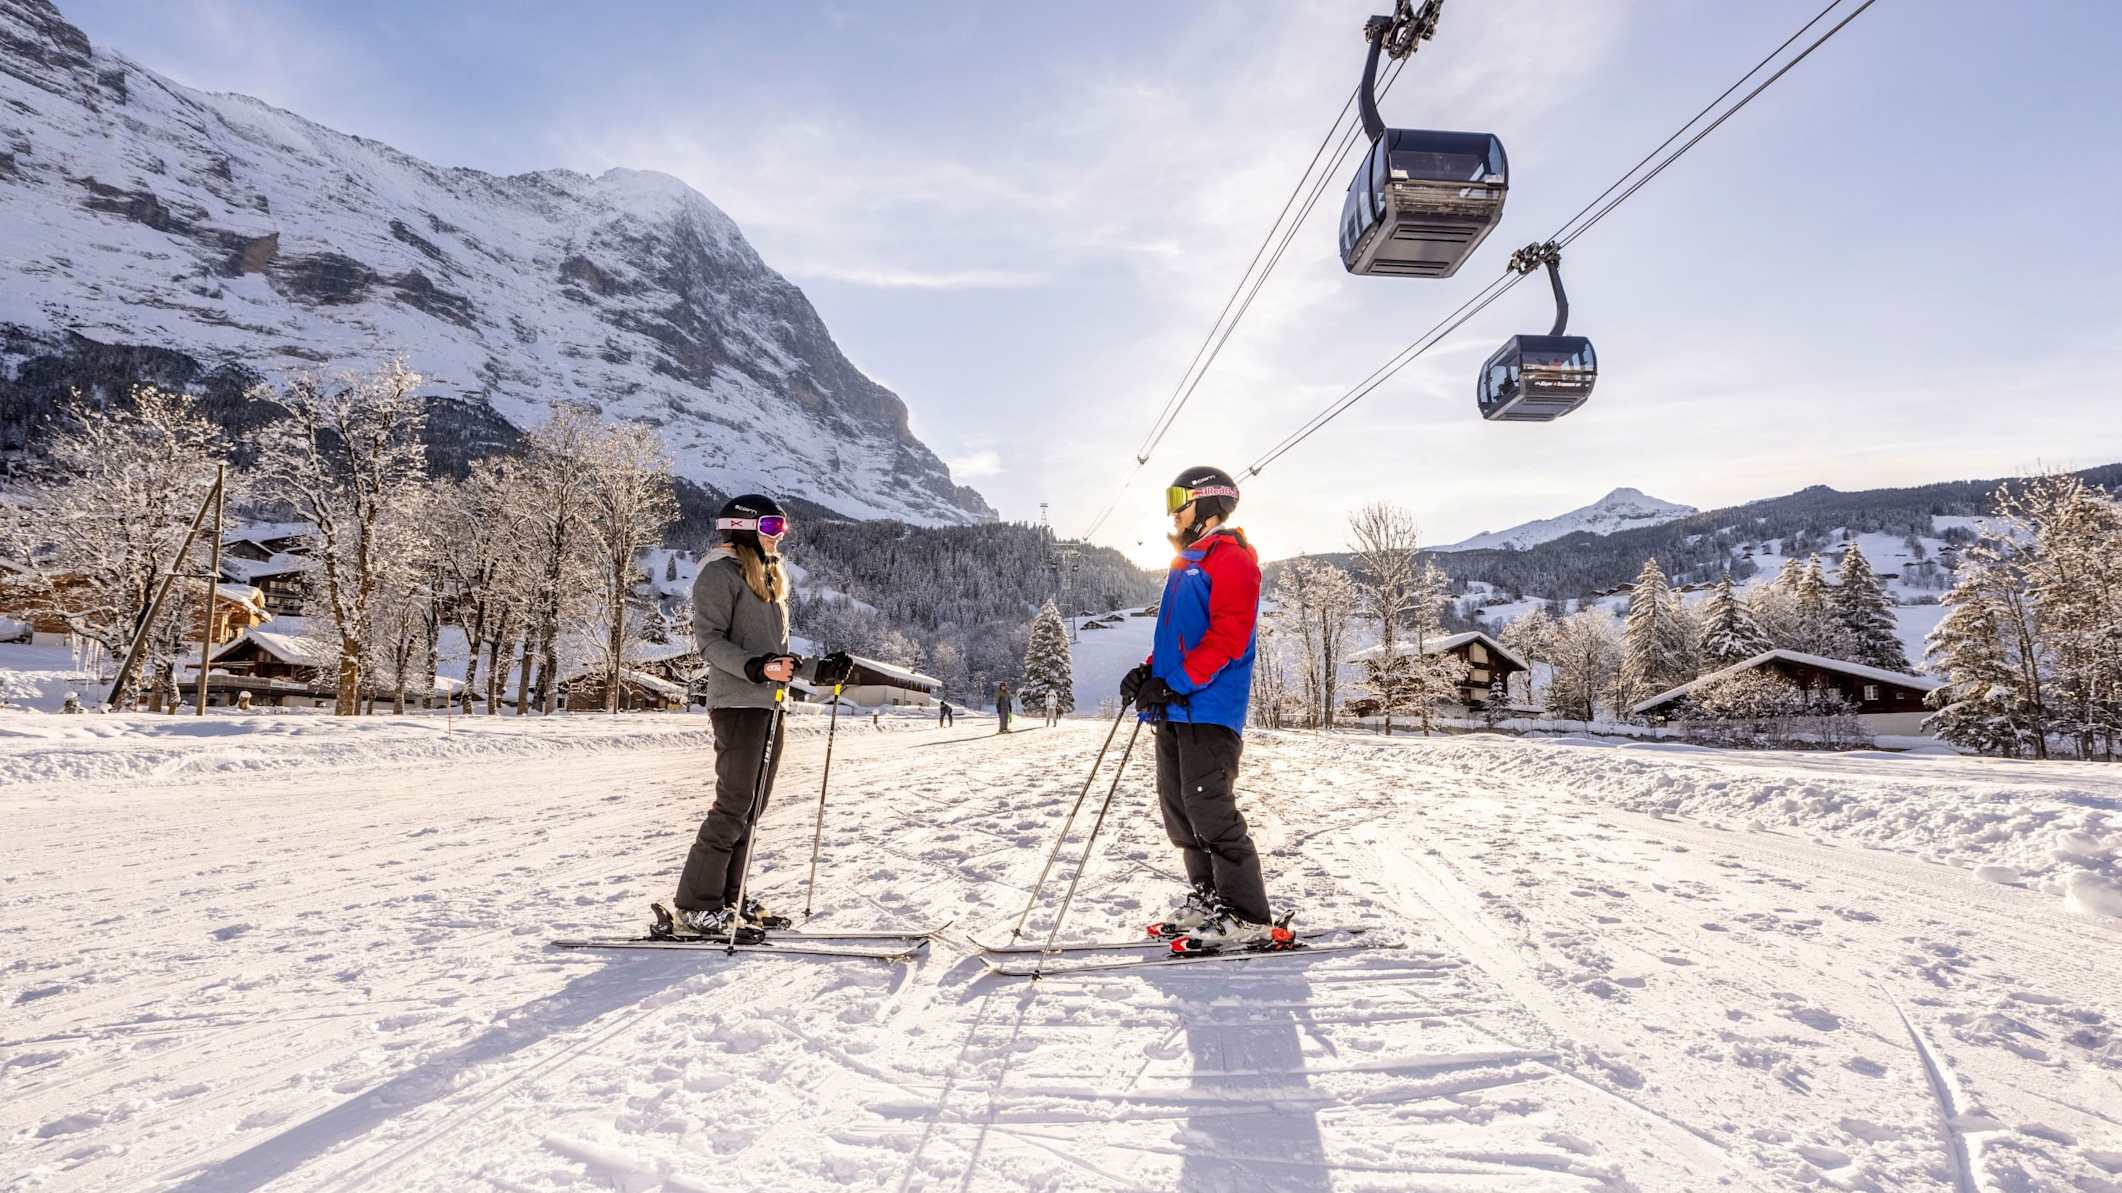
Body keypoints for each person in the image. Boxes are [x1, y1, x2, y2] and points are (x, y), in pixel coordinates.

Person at [1120, 465, 1286, 952]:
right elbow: (1178, 641)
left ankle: (1249, 916)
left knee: (1210, 810)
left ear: (1208, 503)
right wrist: (1150, 673)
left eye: (1180, 498)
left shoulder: (1230, 559)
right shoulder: (1188, 561)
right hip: (1177, 707)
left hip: (1209, 708)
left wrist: (1177, 684)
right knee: (1180, 812)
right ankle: (1209, 900)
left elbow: (1228, 638)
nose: (1172, 509)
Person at [673, 494, 850, 940]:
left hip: (772, 703)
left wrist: (816, 671)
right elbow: (710, 643)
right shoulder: (718, 574)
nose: (779, 536)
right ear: (743, 527)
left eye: (782, 528)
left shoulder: (770, 578)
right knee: (733, 804)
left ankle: (730, 896)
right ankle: (696, 905)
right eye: (772, 527)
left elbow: (778, 657)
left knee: (752, 808)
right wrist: (755, 668)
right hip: (737, 703)